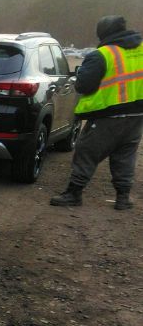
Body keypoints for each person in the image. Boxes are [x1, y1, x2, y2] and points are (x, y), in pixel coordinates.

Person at [50, 16, 143, 209]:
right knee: (125, 156)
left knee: (86, 152)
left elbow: (84, 85)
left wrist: (82, 73)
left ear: (103, 32)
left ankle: (74, 194)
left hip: (107, 116)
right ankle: (123, 198)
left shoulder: (102, 54)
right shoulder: (141, 50)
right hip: (136, 116)